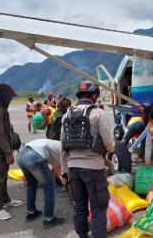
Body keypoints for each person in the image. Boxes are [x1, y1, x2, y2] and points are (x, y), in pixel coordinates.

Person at [60, 81, 115, 238]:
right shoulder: (98, 113)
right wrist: (110, 150)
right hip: (94, 169)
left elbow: (63, 147)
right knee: (98, 208)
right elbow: (109, 144)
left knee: (80, 206)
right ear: (94, 96)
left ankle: (82, 235)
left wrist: (64, 172)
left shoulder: (66, 115)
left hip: (73, 169)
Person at [0, 84, 23, 220]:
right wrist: (8, 153)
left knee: (2, 177)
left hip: (0, 150)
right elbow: (0, 135)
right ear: (3, 96)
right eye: (9, 97)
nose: (10, 100)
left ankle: (6, 200)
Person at [17, 139, 65, 229]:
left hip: (21, 154)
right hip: (33, 155)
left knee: (31, 183)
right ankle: (49, 218)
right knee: (50, 186)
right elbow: (59, 168)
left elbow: (57, 167)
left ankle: (31, 213)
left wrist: (62, 179)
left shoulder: (57, 145)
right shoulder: (65, 151)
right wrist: (63, 180)